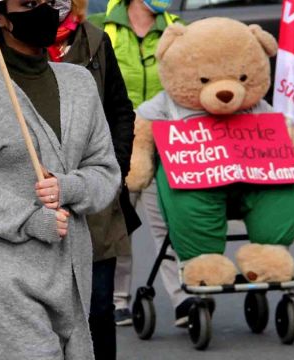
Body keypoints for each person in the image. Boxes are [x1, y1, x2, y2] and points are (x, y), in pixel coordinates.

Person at [0, 0, 121, 358]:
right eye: (29, 4)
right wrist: (29, 218)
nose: (44, 11)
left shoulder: (79, 83)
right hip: (4, 276)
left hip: (73, 274)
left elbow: (105, 169)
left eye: (49, 2)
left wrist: (69, 187)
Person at [90, 0, 189, 327]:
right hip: (119, 146)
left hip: (165, 147)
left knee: (168, 227)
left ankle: (182, 299)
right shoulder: (105, 27)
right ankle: (120, 299)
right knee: (120, 229)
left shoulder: (175, 27)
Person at [48, 0, 138, 358]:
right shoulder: (9, 46)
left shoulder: (95, 40)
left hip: (96, 202)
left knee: (98, 309)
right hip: (40, 202)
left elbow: (120, 111)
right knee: (50, 316)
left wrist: (113, 171)